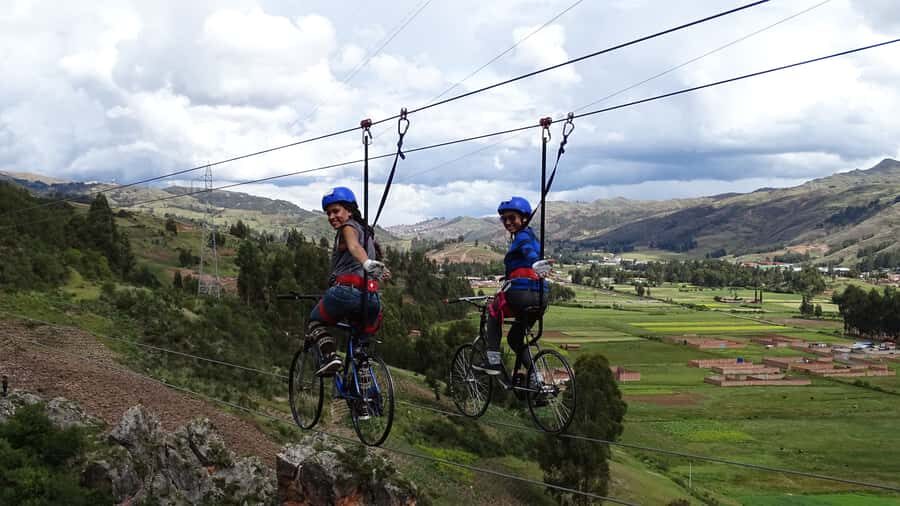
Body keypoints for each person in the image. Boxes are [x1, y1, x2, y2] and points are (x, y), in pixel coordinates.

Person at [307, 186, 388, 376]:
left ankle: (330, 357)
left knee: (314, 322)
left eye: (336, 211)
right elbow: (364, 254)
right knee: (360, 351)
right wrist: (378, 269)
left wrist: (366, 263)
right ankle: (366, 398)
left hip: (345, 292)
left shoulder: (348, 228)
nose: (331, 217)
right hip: (371, 299)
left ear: (349, 210)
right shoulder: (367, 235)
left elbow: (352, 246)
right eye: (328, 213)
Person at [473, 196, 552, 380]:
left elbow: (529, 253)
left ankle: (493, 360)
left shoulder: (523, 237)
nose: (508, 222)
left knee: (493, 310)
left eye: (512, 218)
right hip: (541, 297)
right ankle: (536, 380)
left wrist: (537, 264)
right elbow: (526, 261)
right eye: (504, 219)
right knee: (515, 339)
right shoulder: (531, 236)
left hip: (521, 295)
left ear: (524, 218)